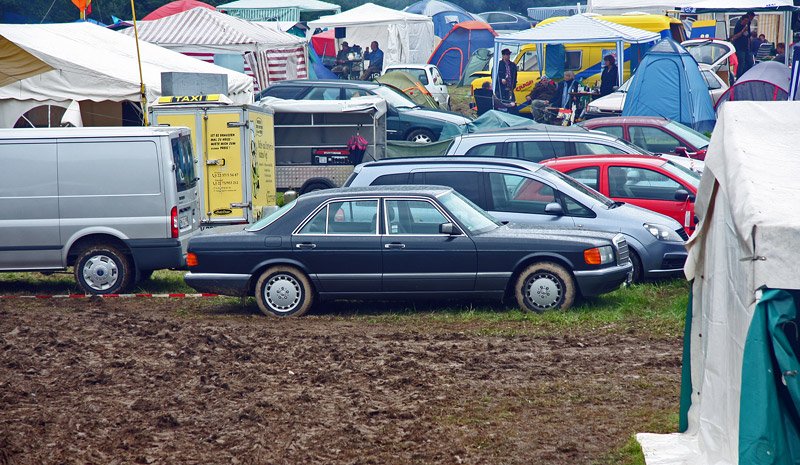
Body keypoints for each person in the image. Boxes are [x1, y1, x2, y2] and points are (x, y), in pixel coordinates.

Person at [731, 11, 755, 78]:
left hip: (746, 47)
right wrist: (742, 31)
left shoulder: (748, 24)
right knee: (741, 63)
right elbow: (735, 36)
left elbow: (748, 35)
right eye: (746, 21)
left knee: (750, 62)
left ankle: (746, 76)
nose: (747, 22)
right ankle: (739, 77)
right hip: (739, 47)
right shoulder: (739, 24)